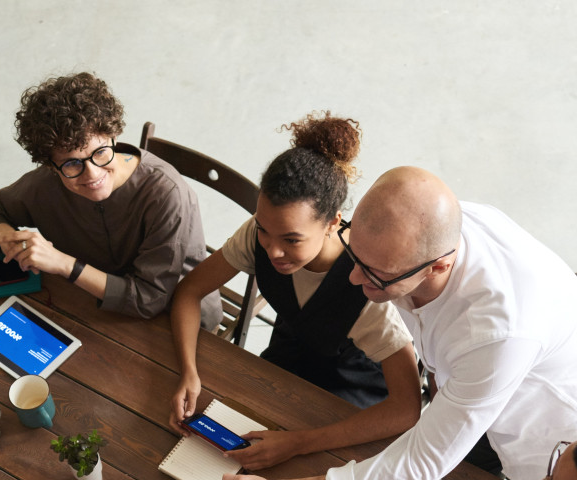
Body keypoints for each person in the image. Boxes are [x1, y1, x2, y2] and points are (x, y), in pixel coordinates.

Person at [228, 166, 577, 480]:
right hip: (469, 382)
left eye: (376, 275)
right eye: (355, 256)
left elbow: (421, 464)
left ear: (437, 267)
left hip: (544, 437)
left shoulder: (497, 333)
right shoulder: (427, 226)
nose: (352, 278)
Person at [169, 113, 422, 470]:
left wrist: (297, 444)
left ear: (334, 222)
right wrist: (189, 373)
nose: (272, 251)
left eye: (291, 240)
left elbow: (407, 408)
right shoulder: (261, 236)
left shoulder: (368, 290)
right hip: (288, 362)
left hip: (351, 397)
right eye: (264, 230)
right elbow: (189, 293)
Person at [0, 72, 221, 326]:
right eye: (72, 163)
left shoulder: (167, 194)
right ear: (50, 166)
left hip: (176, 317)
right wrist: (10, 240)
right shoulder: (47, 183)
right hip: (92, 303)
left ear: (113, 135)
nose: (92, 175)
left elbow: (148, 299)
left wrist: (63, 263)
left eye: (101, 152)